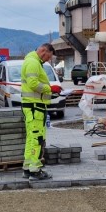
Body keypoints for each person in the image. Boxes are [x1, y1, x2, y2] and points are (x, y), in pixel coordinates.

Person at [21, 43, 62, 180]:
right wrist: (50, 89)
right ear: (43, 51)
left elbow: (33, 83)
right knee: (37, 139)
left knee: (31, 138)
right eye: (48, 57)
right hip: (35, 107)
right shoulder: (33, 63)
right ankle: (35, 170)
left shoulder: (33, 61)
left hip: (32, 106)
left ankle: (27, 168)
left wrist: (51, 91)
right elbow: (33, 84)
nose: (47, 60)